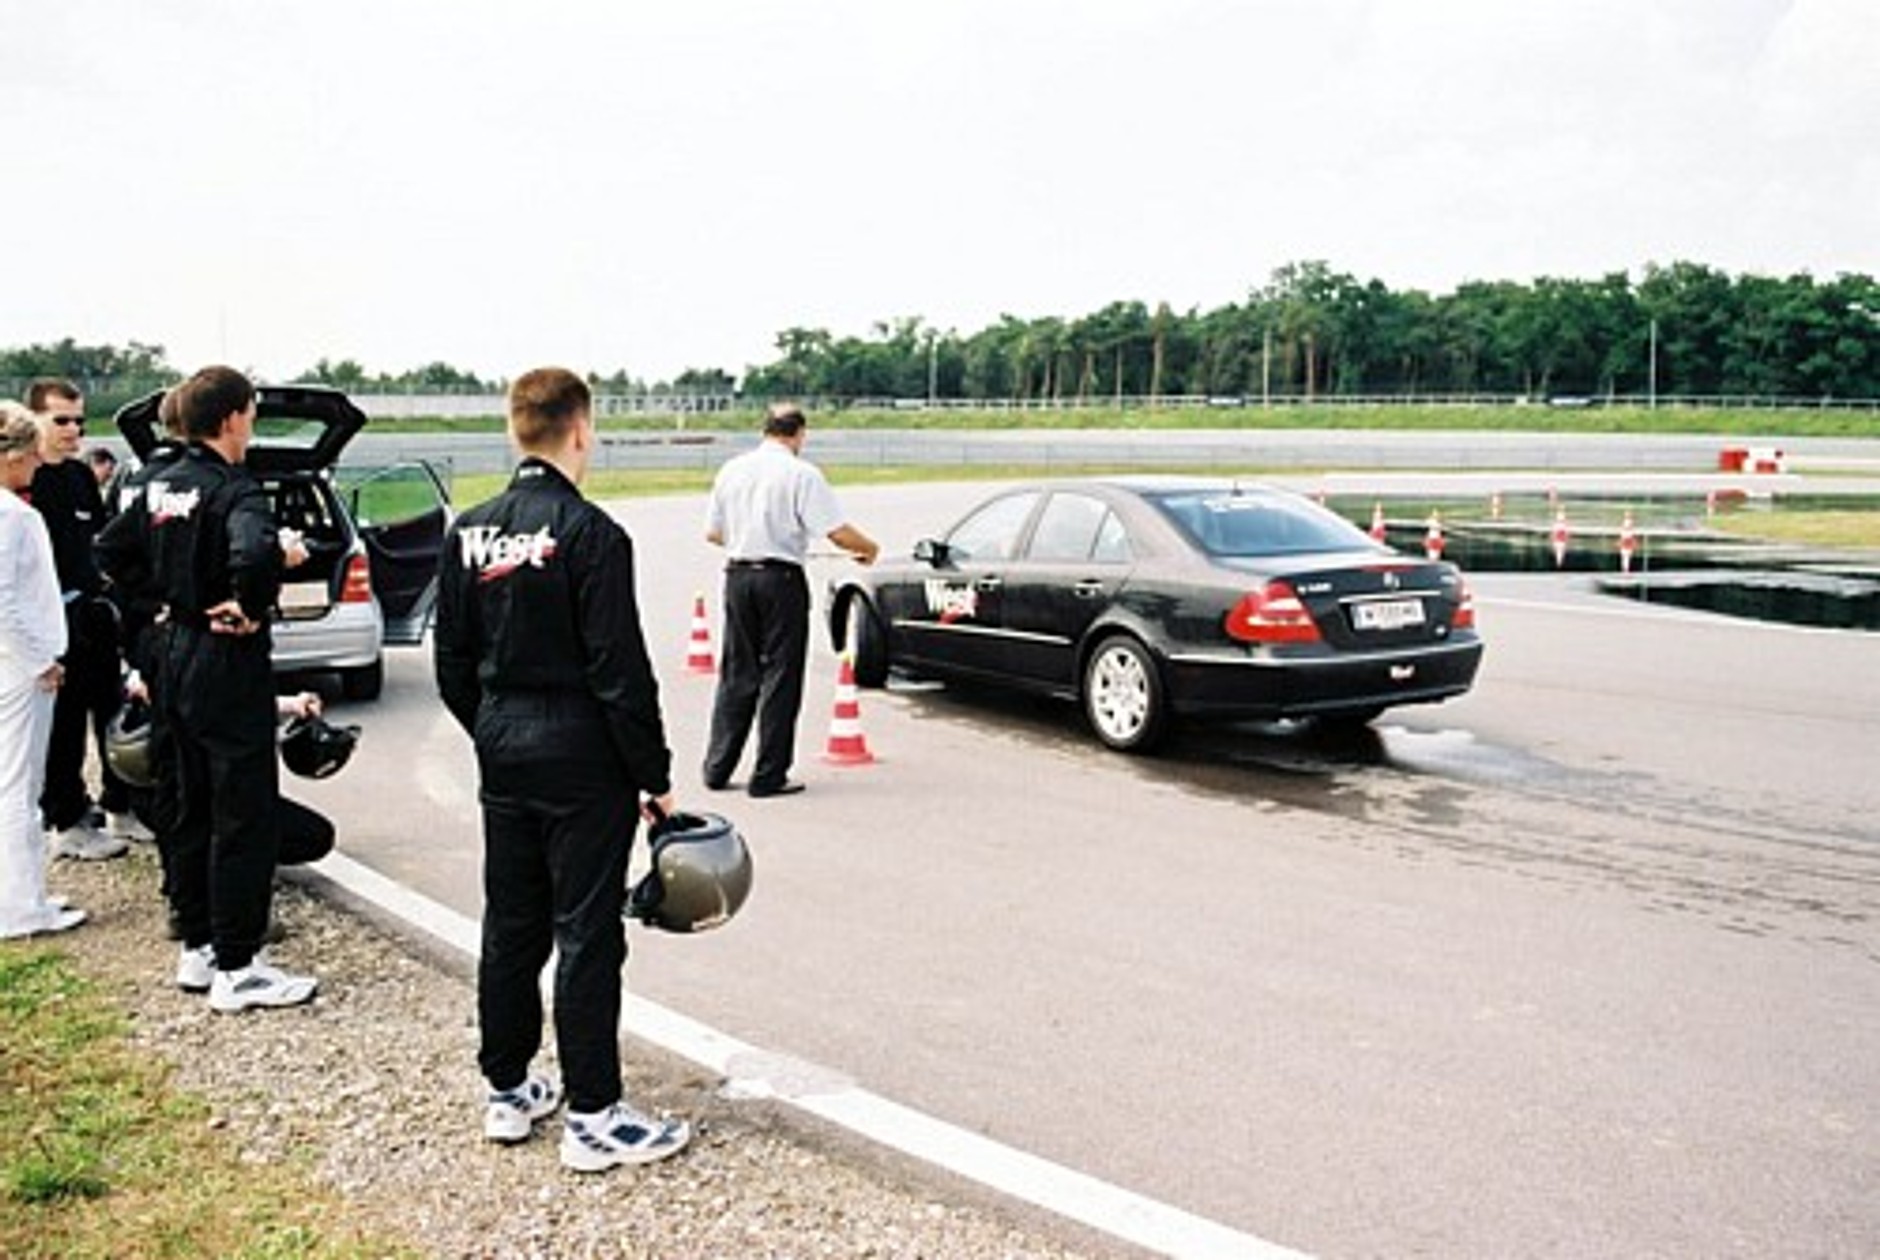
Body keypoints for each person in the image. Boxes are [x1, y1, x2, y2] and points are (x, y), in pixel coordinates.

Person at [434, 366, 689, 1172]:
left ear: (517, 431)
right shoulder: (592, 534)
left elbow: (451, 660)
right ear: (580, 431)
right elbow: (621, 670)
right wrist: (653, 776)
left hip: (504, 748)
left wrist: (495, 731)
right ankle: (595, 1116)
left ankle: (507, 1091)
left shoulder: (468, 530)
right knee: (586, 932)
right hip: (584, 759)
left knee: (511, 924)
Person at [94, 365, 317, 1012]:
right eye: (250, 413)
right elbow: (251, 554)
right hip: (224, 660)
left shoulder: (155, 481)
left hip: (171, 653)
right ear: (229, 419)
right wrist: (252, 598)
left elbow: (110, 549)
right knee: (241, 813)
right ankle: (240, 964)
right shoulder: (233, 488)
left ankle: (197, 947)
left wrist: (157, 601)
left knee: (185, 802)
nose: (252, 425)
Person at [701, 403, 878, 797]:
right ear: (799, 433)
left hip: (738, 577)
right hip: (780, 580)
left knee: (737, 672)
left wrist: (750, 535)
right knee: (781, 675)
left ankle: (718, 767)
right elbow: (835, 531)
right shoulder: (802, 474)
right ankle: (768, 775)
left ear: (766, 429)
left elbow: (713, 533)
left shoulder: (732, 470)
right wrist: (868, 548)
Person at [25, 378, 139, 859]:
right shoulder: (25, 485)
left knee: (111, 708)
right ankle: (66, 819)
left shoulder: (78, 477)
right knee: (63, 728)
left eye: (79, 420)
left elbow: (97, 546)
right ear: (36, 422)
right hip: (50, 624)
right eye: (62, 420)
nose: (73, 430)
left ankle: (122, 804)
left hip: (91, 618)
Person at [0, 403, 86, 938]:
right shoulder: (11, 517)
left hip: (14, 662)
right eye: (29, 451)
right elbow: (3, 601)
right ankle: (18, 905)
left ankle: (23, 891)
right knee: (18, 787)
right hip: (18, 670)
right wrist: (41, 660)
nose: (37, 460)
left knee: (12, 785)